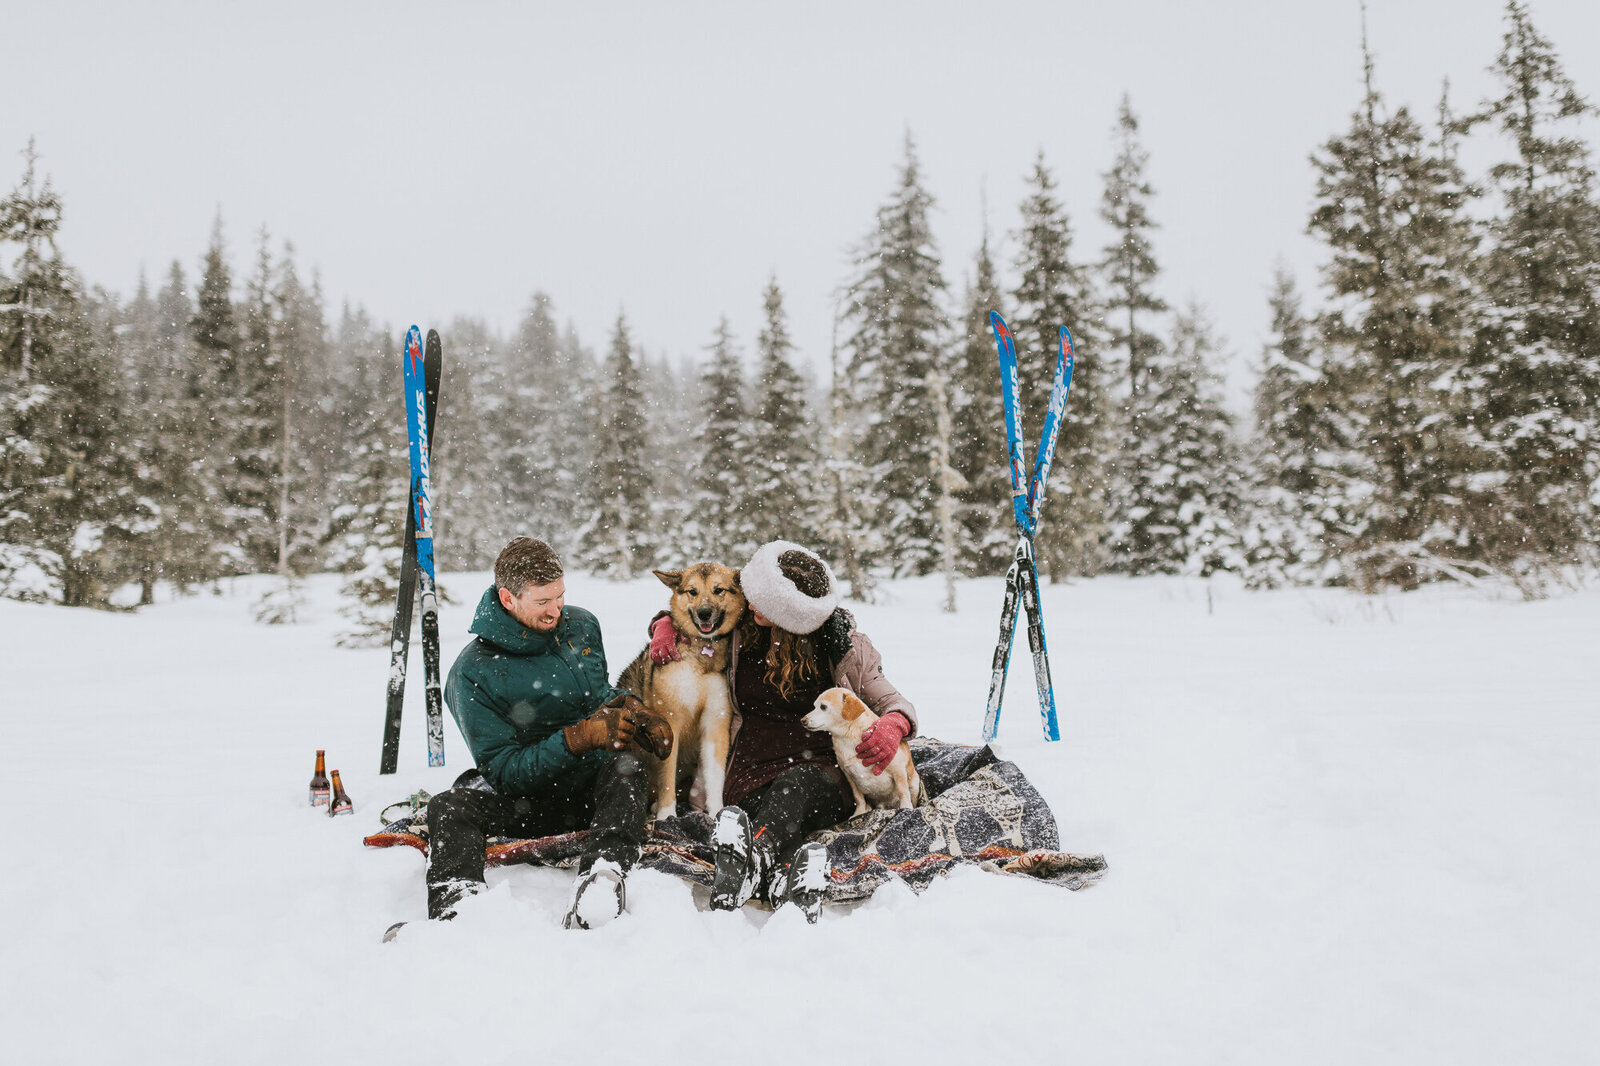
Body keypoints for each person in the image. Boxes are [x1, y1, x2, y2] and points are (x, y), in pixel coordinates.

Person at [647, 540, 917, 922]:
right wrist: (664, 626)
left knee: (795, 789)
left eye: (760, 599)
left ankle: (750, 864)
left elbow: (894, 702)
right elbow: (693, 609)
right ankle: (779, 879)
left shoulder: (843, 646)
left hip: (823, 770)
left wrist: (896, 723)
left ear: (787, 613)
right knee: (762, 810)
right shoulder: (739, 629)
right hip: (750, 766)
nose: (748, 601)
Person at [425, 537, 670, 931]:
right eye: (542, 602)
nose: (555, 610)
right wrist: (578, 738)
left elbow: (597, 692)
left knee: (628, 768)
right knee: (448, 806)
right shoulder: (472, 673)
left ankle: (602, 881)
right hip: (527, 805)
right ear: (508, 598)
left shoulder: (582, 625)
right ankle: (458, 909)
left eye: (559, 597)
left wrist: (633, 708)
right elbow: (503, 771)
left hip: (596, 794)